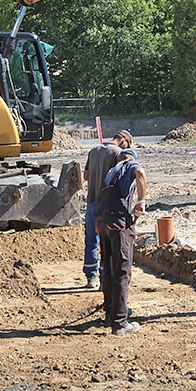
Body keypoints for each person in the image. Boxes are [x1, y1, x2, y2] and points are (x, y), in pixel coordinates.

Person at [96, 148, 147, 335]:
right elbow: (140, 173)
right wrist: (141, 201)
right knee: (122, 271)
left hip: (103, 222)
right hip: (118, 224)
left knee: (109, 269)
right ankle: (120, 322)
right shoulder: (129, 165)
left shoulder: (110, 172)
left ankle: (110, 313)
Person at [82, 129, 133, 289]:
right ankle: (105, 280)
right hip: (107, 205)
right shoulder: (118, 153)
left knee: (91, 240)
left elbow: (85, 176)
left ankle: (91, 277)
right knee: (108, 242)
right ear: (124, 140)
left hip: (91, 202)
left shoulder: (94, 150)